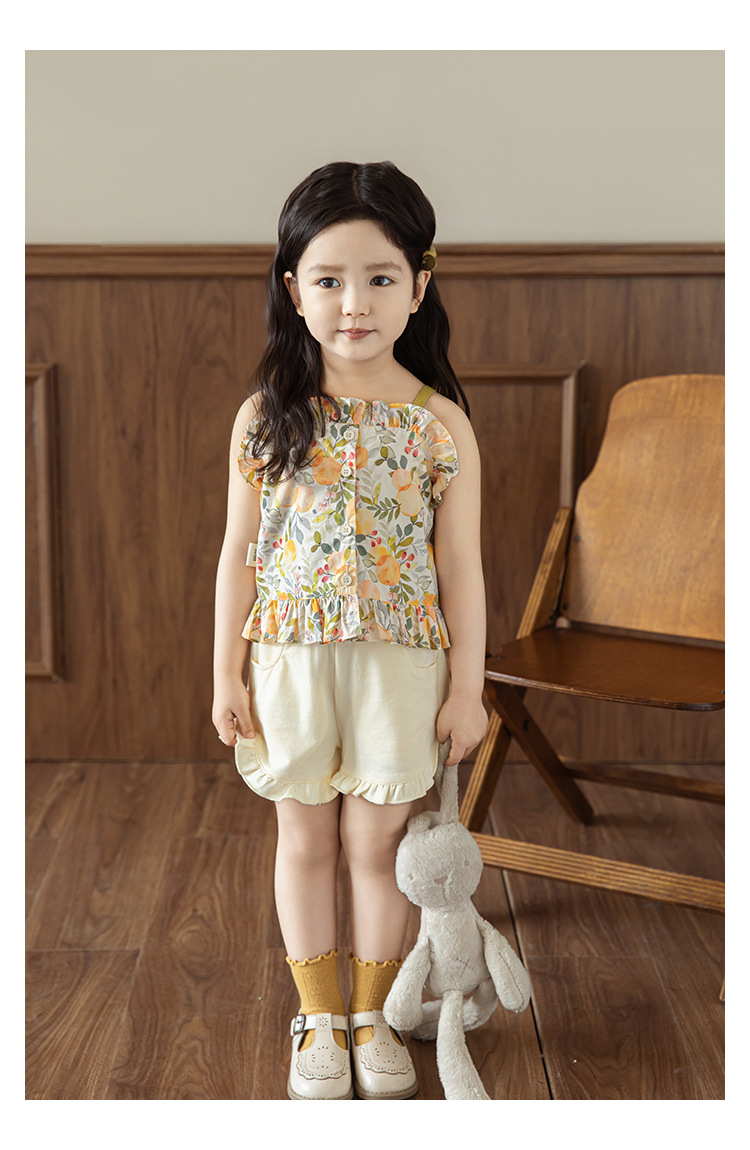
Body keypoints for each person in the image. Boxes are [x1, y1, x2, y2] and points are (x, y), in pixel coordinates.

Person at [212, 161, 488, 1100]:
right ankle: (318, 1016)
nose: (355, 303)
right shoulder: (266, 418)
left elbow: (462, 569)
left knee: (376, 847)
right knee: (304, 841)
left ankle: (373, 1015)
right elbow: (238, 556)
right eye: (329, 280)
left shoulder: (439, 426)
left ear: (419, 285)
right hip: (287, 666)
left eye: (379, 277)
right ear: (294, 291)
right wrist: (226, 674)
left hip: (399, 671)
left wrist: (467, 688)